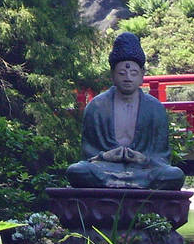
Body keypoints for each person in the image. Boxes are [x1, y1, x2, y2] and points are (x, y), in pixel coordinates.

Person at [66, 32, 185, 190]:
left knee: (174, 174)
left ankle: (118, 185)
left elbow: (161, 157)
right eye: (122, 73)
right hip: (106, 169)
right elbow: (88, 154)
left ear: (142, 75)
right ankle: (130, 185)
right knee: (77, 171)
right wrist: (105, 156)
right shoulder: (97, 107)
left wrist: (142, 158)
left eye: (133, 73)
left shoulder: (155, 109)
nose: (128, 77)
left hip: (142, 170)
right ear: (112, 75)